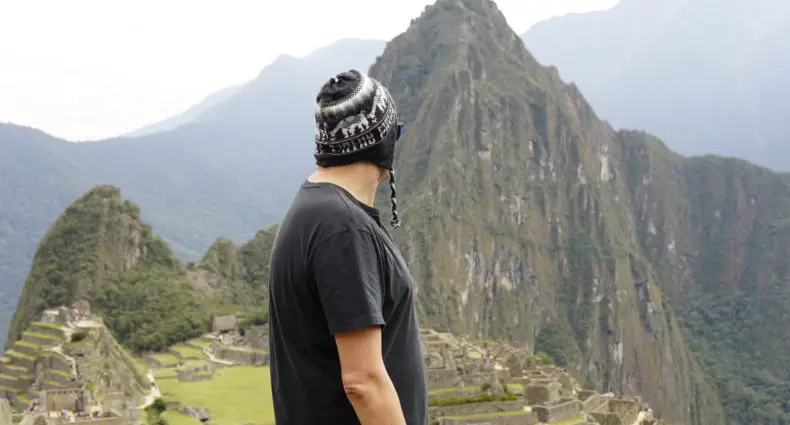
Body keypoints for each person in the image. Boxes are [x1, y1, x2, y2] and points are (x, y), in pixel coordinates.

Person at [267, 69, 428, 425]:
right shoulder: (343, 229)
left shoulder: (314, 209)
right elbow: (362, 382)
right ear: (382, 142)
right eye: (395, 133)